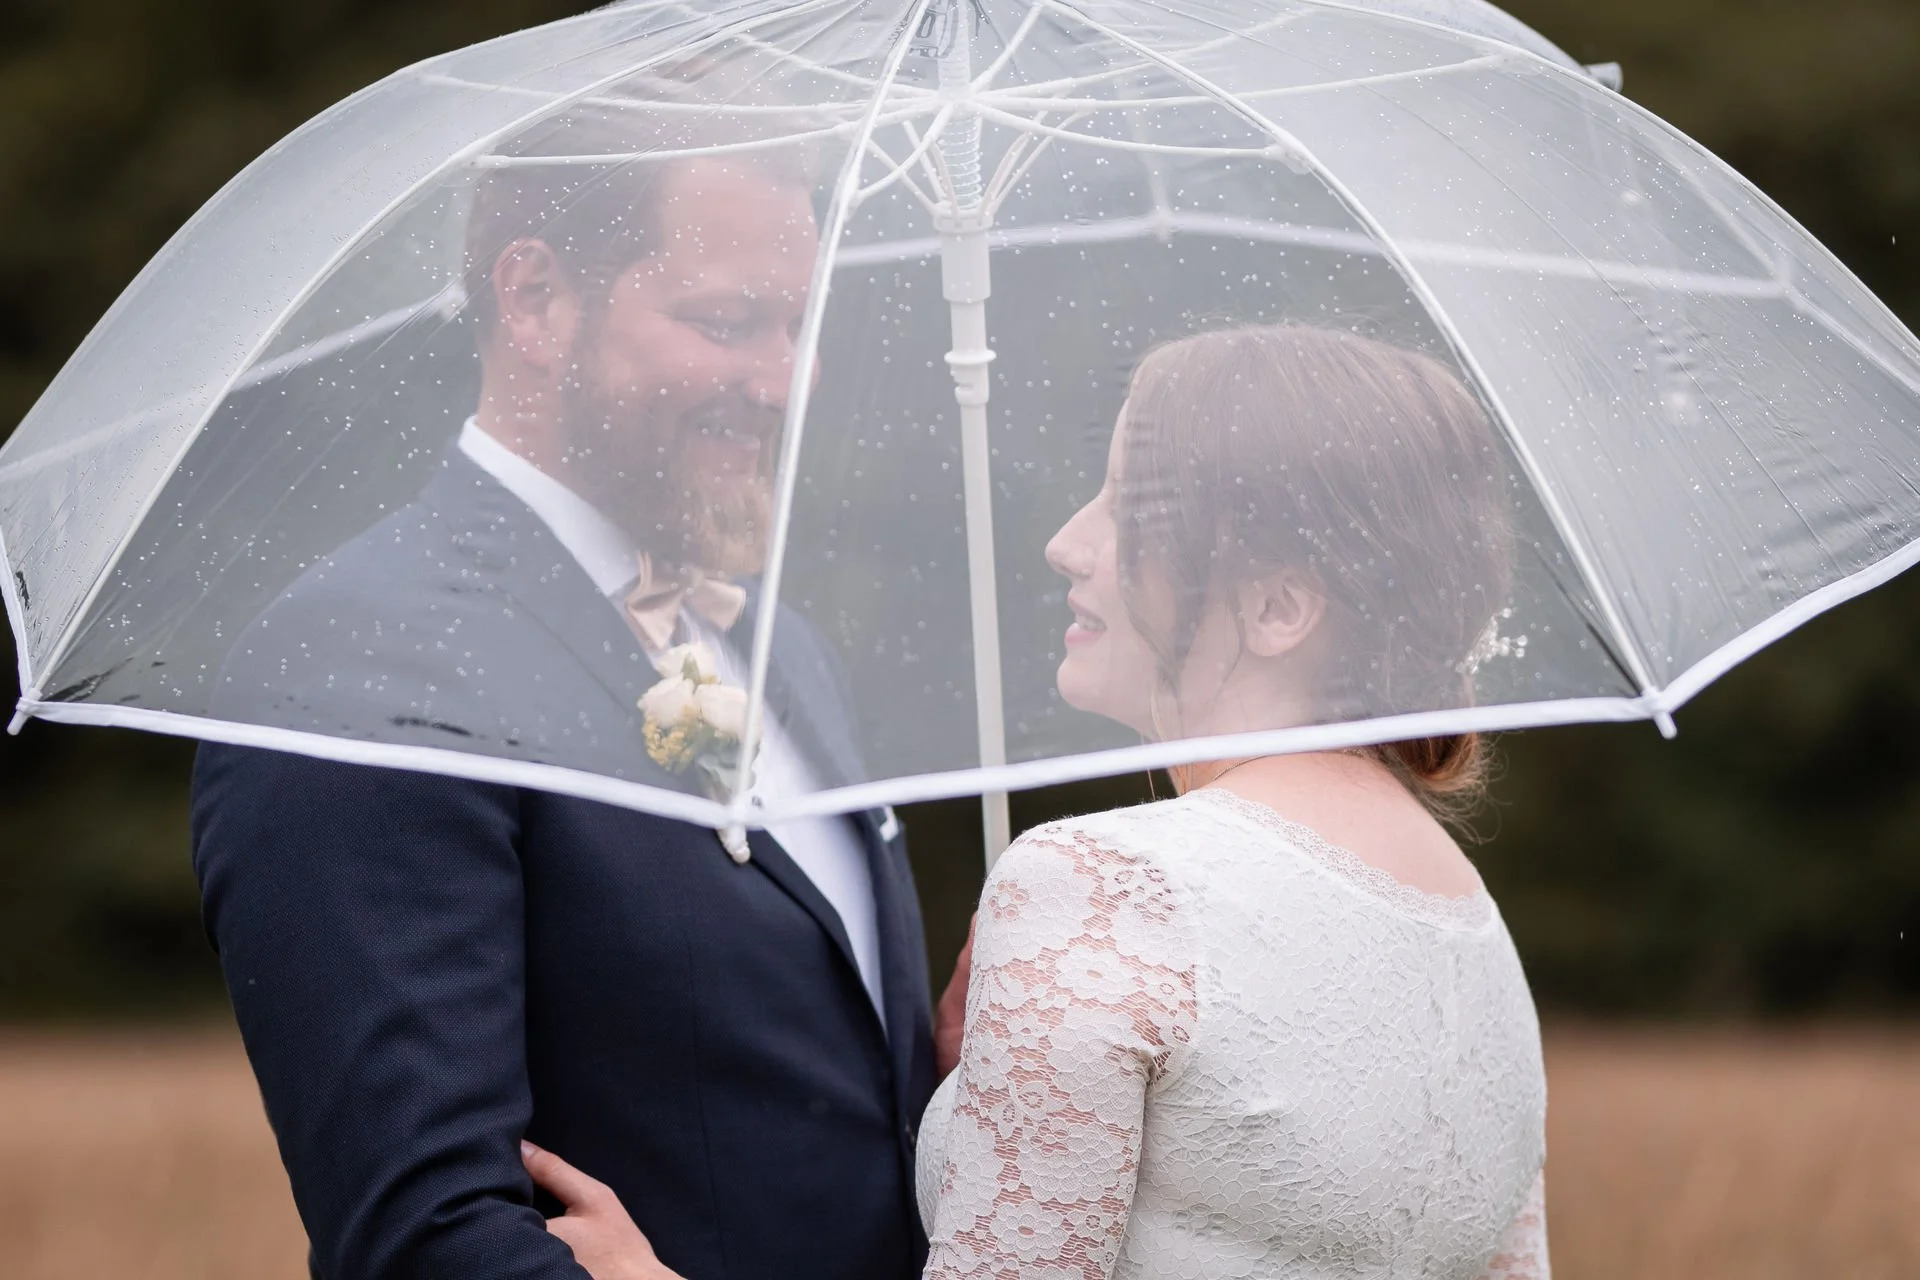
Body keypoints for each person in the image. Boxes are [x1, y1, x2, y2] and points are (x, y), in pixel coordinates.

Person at [529, 323, 1550, 1279]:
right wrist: (990, 1086)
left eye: (1131, 508)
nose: (1069, 542)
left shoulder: (1104, 887)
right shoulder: (1473, 922)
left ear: (1278, 607)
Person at [191, 97, 946, 1280]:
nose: (782, 379)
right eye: (730, 320)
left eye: (798, 325)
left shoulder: (781, 643)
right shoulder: (359, 665)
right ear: (536, 300)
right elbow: (424, 1236)